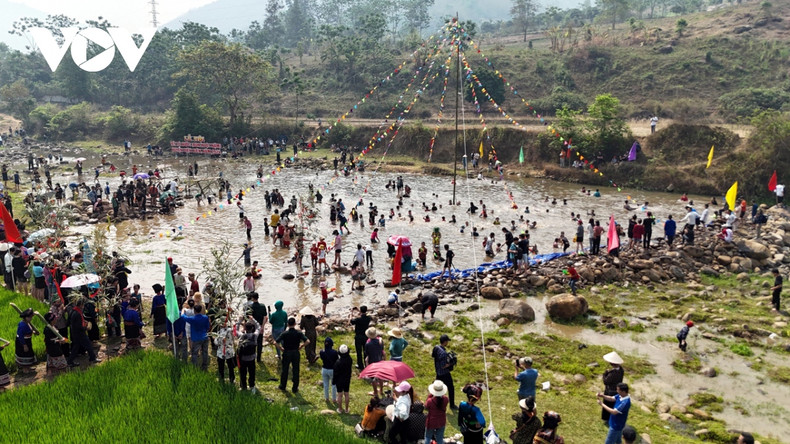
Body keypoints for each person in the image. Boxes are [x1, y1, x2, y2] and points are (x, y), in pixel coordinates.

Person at [276, 317, 309, 393]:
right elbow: (307, 341)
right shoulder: (299, 333)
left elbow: (275, 342)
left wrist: (281, 349)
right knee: (296, 370)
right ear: (295, 324)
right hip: (295, 352)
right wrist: (301, 346)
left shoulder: (284, 333)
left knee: (285, 370)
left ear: (287, 324)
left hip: (287, 352)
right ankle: (295, 388)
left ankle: (283, 386)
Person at [67, 300, 100, 367]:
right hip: (80, 333)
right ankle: (92, 358)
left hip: (75, 333)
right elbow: (78, 326)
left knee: (75, 348)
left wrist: (84, 322)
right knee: (88, 345)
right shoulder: (77, 314)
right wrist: (86, 328)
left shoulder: (73, 311)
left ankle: (70, 361)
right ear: (81, 305)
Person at [182, 304, 211, 371]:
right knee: (205, 352)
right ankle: (204, 366)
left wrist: (183, 310)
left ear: (194, 311)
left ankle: (195, 366)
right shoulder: (205, 317)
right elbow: (207, 327)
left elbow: (183, 317)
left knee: (194, 353)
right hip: (204, 337)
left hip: (196, 338)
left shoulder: (193, 319)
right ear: (201, 310)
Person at [432, 334, 457, 410]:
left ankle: (431, 402)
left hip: (438, 372)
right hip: (444, 373)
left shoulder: (436, 347)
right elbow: (443, 365)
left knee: (435, 387)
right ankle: (452, 405)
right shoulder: (443, 353)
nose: (448, 343)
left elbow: (433, 356)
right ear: (445, 342)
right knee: (451, 388)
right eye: (447, 341)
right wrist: (451, 363)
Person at [601, 352, 625, 422]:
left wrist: (605, 374)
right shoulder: (621, 370)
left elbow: (606, 381)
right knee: (613, 404)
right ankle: (611, 417)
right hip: (616, 390)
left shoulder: (612, 373)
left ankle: (606, 418)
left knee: (607, 404)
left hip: (610, 391)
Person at [237, 317, 260, 391]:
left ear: (245, 329)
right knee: (252, 373)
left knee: (243, 373)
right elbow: (258, 327)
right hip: (252, 358)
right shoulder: (255, 336)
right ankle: (252, 386)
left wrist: (240, 320)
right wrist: (253, 320)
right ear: (252, 328)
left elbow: (235, 330)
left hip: (243, 358)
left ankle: (243, 386)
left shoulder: (242, 336)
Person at [425, 380, 449, 444]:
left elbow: (426, 407)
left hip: (431, 421)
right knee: (440, 438)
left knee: (428, 437)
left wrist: (429, 396)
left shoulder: (430, 401)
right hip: (441, 421)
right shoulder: (446, 399)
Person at [214, 314, 236, 385]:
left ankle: (221, 378)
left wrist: (215, 339)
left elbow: (217, 343)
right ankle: (232, 379)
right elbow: (234, 338)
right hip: (230, 351)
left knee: (221, 367)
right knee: (230, 367)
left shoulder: (220, 332)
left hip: (221, 352)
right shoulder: (231, 330)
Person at [364, 327, 385, 397]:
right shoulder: (380, 341)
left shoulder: (368, 344)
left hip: (372, 361)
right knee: (380, 376)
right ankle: (381, 390)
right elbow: (382, 349)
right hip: (379, 359)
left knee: (373, 377)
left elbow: (367, 353)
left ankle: (375, 392)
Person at [351, 305, 372, 370]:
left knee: (359, 351)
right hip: (366, 336)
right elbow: (364, 315)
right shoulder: (368, 318)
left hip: (358, 336)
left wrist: (351, 313)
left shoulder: (358, 319)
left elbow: (351, 321)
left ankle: (360, 365)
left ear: (360, 311)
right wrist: (359, 311)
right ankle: (366, 363)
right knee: (365, 351)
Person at [334, 344, 353, 413]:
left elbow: (335, 372)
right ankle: (347, 409)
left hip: (339, 379)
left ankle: (340, 409)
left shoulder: (338, 362)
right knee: (346, 393)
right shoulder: (350, 359)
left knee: (339, 395)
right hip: (347, 378)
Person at [320, 337, 339, 402]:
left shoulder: (321, 352)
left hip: (324, 369)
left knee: (325, 384)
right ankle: (334, 399)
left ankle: (327, 398)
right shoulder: (334, 352)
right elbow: (337, 360)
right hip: (332, 370)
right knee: (334, 385)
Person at [249, 293, 267, 362]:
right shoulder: (262, 306)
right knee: (259, 343)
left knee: (252, 342)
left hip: (253, 327)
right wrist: (262, 327)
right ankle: (259, 358)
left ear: (252, 298)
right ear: (258, 298)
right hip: (260, 326)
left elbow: (250, 319)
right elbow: (264, 317)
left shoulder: (250, 306)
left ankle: (252, 356)